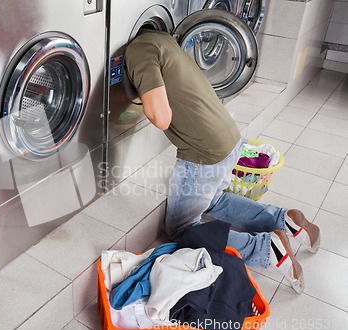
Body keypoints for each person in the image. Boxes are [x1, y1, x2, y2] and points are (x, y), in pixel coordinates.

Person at [124, 29, 320, 294]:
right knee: (214, 199)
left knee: (182, 229)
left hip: (204, 152)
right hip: (229, 138)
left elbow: (161, 118)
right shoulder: (163, 40)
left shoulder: (137, 51)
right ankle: (284, 220)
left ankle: (267, 248)